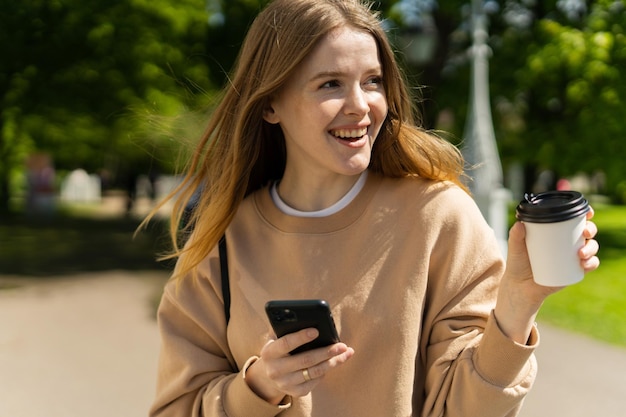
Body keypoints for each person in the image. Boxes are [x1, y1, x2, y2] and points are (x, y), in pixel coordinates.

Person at [146, 0, 600, 416]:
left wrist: (518, 304)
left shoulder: (439, 217)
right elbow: (175, 408)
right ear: (270, 105)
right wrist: (259, 387)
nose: (361, 106)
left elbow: (464, 409)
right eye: (330, 84)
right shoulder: (223, 241)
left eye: (372, 81)